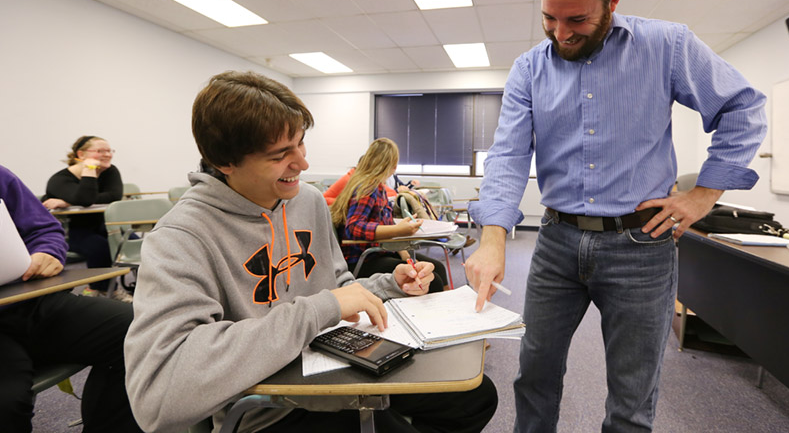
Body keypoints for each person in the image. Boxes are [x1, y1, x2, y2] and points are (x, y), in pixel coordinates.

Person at [465, 0, 767, 433]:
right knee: (534, 376)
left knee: (631, 396)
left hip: (640, 247)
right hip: (555, 244)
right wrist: (493, 238)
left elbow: (743, 107)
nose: (560, 33)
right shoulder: (527, 70)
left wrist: (703, 194)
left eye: (577, 19)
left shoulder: (667, 46)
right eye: (549, 18)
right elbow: (509, 155)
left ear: (614, 0)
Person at [124, 71, 496, 433]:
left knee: (477, 398)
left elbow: (337, 284)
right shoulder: (181, 237)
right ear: (226, 163)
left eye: (301, 143)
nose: (302, 163)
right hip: (272, 407)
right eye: (279, 154)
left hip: (338, 368)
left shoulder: (308, 201)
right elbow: (158, 399)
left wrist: (389, 285)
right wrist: (320, 310)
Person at [0, 164, 142, 433]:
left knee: (143, 331)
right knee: (7, 403)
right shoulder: (62, 177)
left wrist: (47, 252)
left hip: (28, 300)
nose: (105, 156)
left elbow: (44, 229)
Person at [329, 138, 448, 292]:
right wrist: (399, 231)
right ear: (391, 165)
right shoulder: (368, 188)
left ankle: (447, 310)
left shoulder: (377, 187)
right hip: (364, 260)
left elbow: (384, 225)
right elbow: (354, 227)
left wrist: (404, 254)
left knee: (438, 268)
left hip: (378, 253)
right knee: (433, 281)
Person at [41, 136, 130, 301]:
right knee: (100, 247)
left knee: (132, 241)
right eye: (100, 151)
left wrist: (67, 201)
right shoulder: (59, 180)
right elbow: (86, 199)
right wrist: (89, 169)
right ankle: (103, 290)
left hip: (105, 225)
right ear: (81, 154)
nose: (108, 155)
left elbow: (113, 196)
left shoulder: (110, 171)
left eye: (109, 150)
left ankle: (110, 289)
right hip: (72, 232)